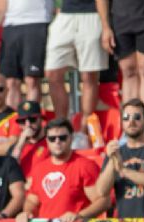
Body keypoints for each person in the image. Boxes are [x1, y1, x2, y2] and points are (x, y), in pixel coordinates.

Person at [16, 118, 109, 222]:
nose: (57, 141)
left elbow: (103, 201)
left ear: (71, 138)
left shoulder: (85, 166)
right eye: (52, 138)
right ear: (47, 141)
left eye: (62, 137)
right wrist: (27, 212)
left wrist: (79, 215)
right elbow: (32, 201)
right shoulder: (39, 168)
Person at [96, 99, 144, 218]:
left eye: (137, 117)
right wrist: (112, 161)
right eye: (126, 118)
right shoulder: (116, 153)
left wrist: (124, 171)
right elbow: (101, 191)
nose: (131, 122)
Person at [45, 0, 107, 131]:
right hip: (65, 14)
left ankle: (84, 130)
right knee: (52, 73)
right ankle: (61, 127)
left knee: (89, 75)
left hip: (92, 13)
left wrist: (106, 25)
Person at [0, 0, 54, 108]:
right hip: (10, 24)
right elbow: (1, 3)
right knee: (10, 81)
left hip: (37, 21)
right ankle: (12, 118)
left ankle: (30, 117)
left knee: (32, 80)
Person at [8, 100, 49, 181]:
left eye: (32, 119)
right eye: (22, 121)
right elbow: (11, 168)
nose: (28, 125)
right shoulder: (16, 147)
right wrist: (21, 142)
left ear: (41, 119)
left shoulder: (51, 142)